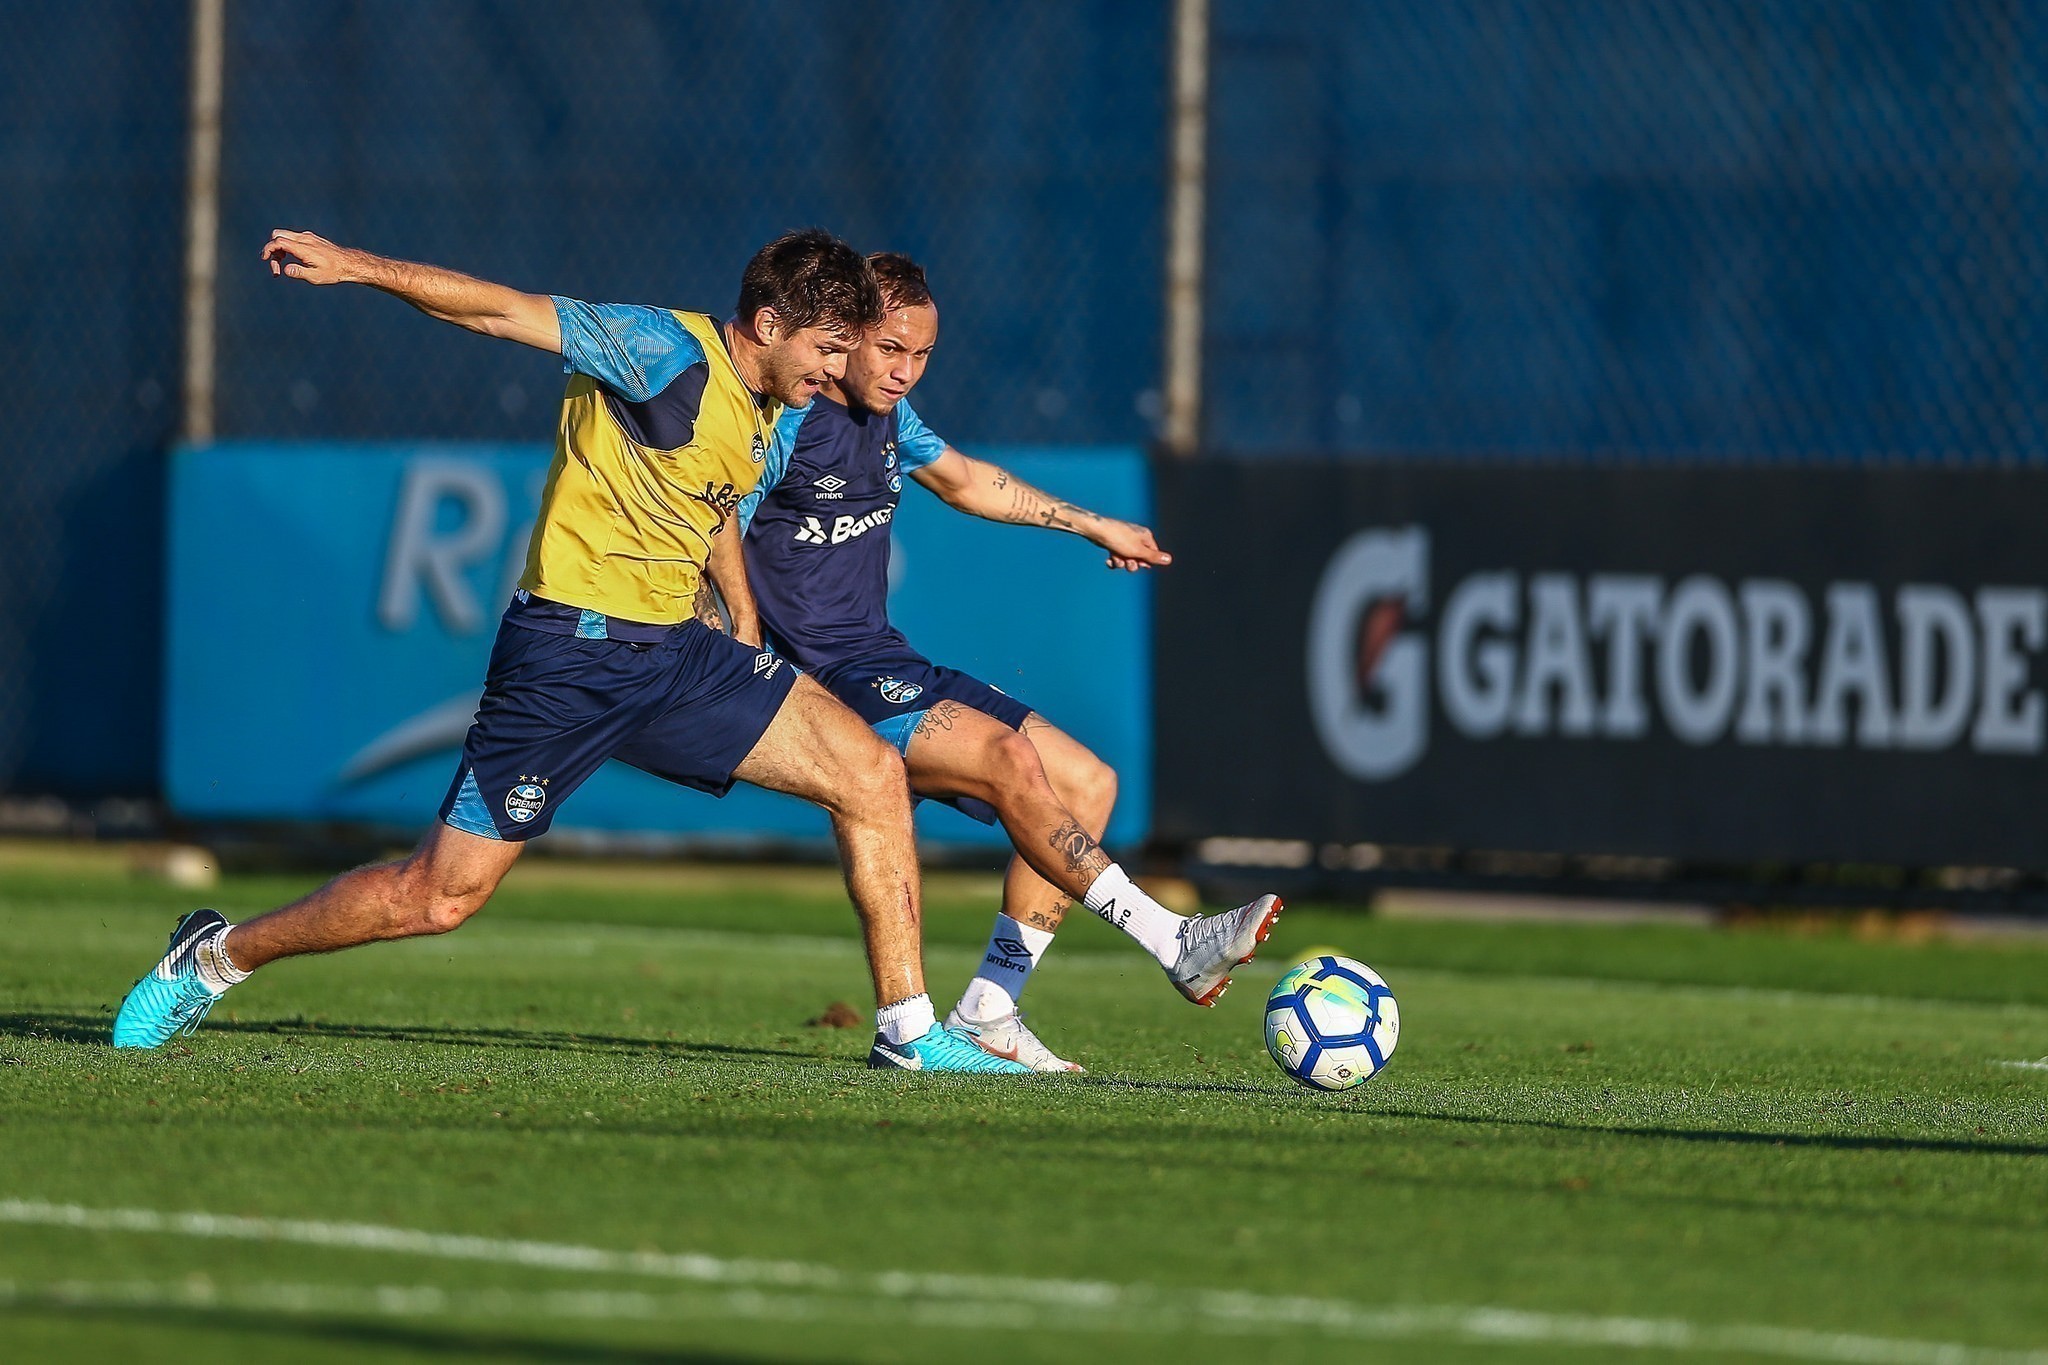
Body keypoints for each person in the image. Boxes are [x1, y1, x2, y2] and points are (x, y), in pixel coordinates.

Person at [113, 228, 1031, 1075]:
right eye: (827, 348)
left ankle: (908, 1032)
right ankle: (217, 956)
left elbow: (712, 505)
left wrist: (743, 619)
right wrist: (357, 266)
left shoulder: (767, 404)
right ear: (767, 324)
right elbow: (496, 309)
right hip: (568, 658)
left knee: (870, 772)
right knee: (437, 897)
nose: (836, 370)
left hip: (677, 655)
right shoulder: (659, 348)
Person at [730, 253, 1281, 1072]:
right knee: (1007, 758)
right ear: (845, 336)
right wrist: (733, 638)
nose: (905, 371)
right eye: (891, 349)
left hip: (885, 657)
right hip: (827, 680)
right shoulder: (788, 422)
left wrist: (1095, 525)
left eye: (923, 355)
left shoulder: (891, 416)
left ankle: (990, 1010)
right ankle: (1174, 939)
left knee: (1087, 783)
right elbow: (714, 523)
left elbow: (965, 481)